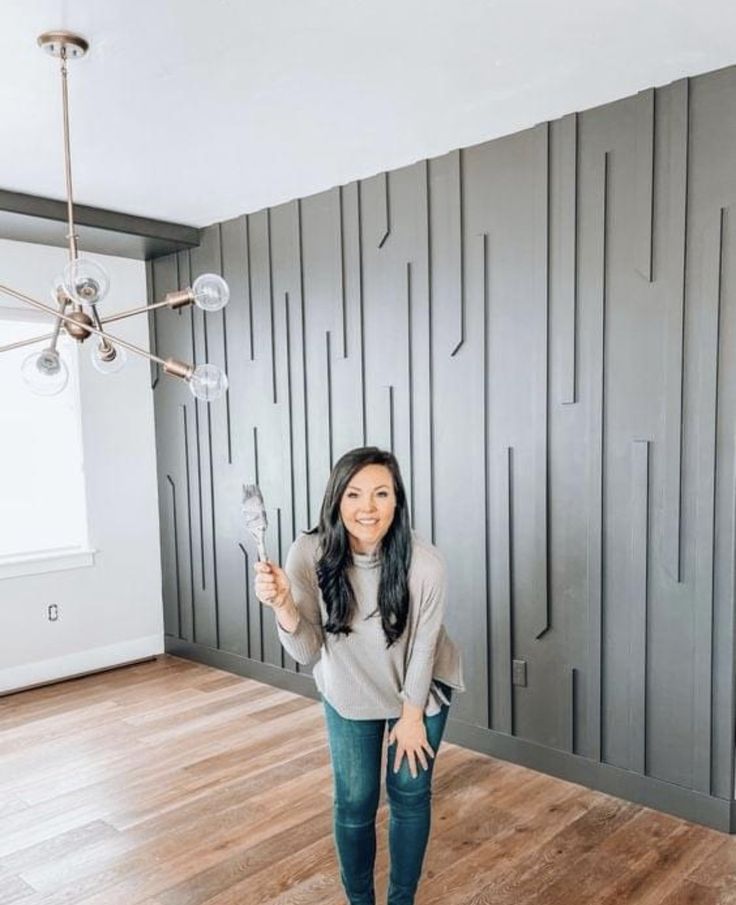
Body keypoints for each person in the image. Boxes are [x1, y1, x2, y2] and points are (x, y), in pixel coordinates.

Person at [254, 446, 465, 905]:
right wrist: (283, 605)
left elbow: (425, 646)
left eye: (381, 494)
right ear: (336, 500)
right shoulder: (307, 553)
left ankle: (401, 900)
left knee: (409, 794)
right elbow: (308, 649)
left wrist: (411, 717)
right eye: (354, 494)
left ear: (397, 502)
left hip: (420, 686)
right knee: (355, 802)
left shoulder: (425, 563)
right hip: (350, 687)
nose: (367, 508)